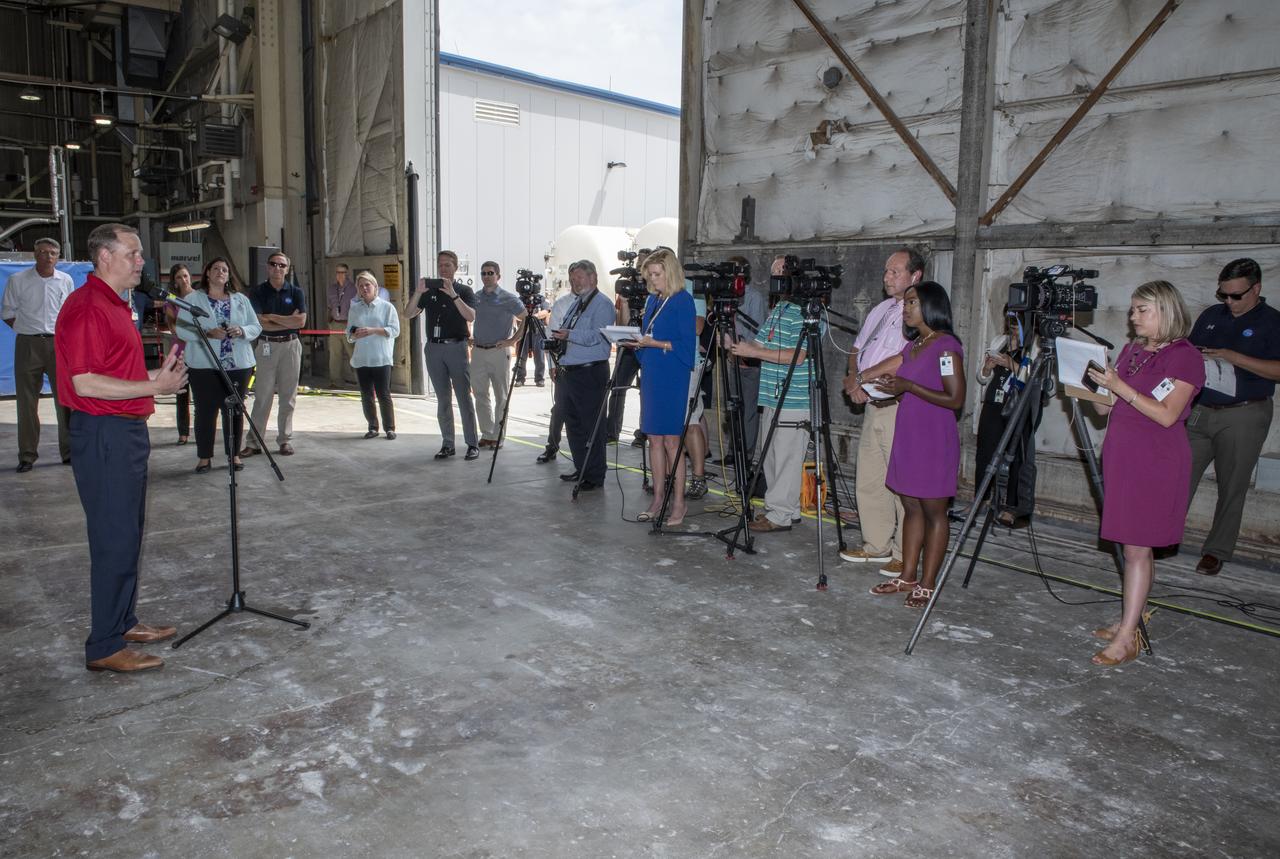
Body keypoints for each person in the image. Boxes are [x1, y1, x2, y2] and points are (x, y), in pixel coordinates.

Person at [54, 222, 188, 672]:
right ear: (104, 257)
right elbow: (85, 380)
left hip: (125, 429)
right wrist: (154, 382)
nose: (141, 261)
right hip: (104, 432)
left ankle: (123, 620)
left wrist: (157, 376)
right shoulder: (88, 307)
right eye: (132, 253)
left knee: (128, 531)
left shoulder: (117, 304)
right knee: (113, 537)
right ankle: (106, 646)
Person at [1086, 280, 1204, 665]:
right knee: (1135, 544)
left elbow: (1167, 414)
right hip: (1124, 456)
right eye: (1133, 309)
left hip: (1157, 461)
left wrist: (1120, 386)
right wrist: (1093, 386)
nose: (1133, 316)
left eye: (1142, 310)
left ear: (1166, 311)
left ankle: (1126, 637)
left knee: (1137, 547)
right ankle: (1129, 620)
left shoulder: (1185, 356)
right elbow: (1105, 410)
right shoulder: (1132, 350)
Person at [867, 282, 966, 609]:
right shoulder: (913, 347)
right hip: (909, 434)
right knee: (910, 506)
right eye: (906, 303)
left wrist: (907, 384)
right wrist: (894, 386)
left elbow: (955, 399)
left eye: (912, 303)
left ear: (931, 306)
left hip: (934, 438)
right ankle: (907, 575)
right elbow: (911, 388)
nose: (905, 308)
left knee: (935, 512)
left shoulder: (946, 346)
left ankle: (927, 582)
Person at [1186, 259, 1280, 576]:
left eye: (1236, 296)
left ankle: (1216, 551)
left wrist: (1232, 356)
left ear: (1257, 288)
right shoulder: (1211, 316)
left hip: (1244, 413)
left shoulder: (1272, 322)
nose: (1229, 302)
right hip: (1201, 410)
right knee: (1178, 476)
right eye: (1224, 295)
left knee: (1232, 486)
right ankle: (1161, 538)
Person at [840, 248, 924, 573]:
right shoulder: (882, 309)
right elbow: (857, 348)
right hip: (873, 405)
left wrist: (861, 377)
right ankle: (876, 545)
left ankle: (905, 553)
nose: (887, 277)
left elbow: (904, 358)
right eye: (886, 271)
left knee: (902, 482)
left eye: (895, 272)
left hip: (899, 407)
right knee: (870, 478)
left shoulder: (918, 313)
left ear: (915, 276)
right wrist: (854, 381)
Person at [724, 258, 813, 534]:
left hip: (794, 398)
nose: (774, 277)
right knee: (771, 456)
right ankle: (786, 510)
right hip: (771, 395)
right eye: (773, 272)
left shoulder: (805, 311)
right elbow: (761, 343)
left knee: (786, 456)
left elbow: (798, 356)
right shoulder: (779, 309)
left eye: (780, 272)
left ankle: (779, 515)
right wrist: (733, 344)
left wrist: (754, 353)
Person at [623, 248, 696, 523]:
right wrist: (636, 343)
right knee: (653, 438)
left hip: (673, 373)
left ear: (670, 272)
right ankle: (658, 497)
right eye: (649, 275)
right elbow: (647, 337)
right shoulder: (654, 302)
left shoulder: (683, 301)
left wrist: (655, 343)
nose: (652, 280)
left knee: (672, 441)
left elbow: (687, 348)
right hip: (652, 371)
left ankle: (678, 502)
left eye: (656, 274)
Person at [177, 257, 260, 473]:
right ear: (207, 273)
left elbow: (255, 326)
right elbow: (182, 329)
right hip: (204, 366)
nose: (220, 272)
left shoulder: (241, 299)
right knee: (205, 411)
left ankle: (233, 455)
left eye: (224, 269)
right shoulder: (193, 299)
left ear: (228, 275)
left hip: (237, 365)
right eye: (216, 268)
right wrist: (206, 333)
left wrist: (241, 331)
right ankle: (204, 457)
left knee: (234, 410)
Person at [3, 237, 74, 472]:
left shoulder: (65, 281)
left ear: (58, 256)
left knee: (64, 400)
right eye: (43, 252)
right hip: (28, 344)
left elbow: (69, 314)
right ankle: (27, 455)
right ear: (34, 254)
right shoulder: (18, 280)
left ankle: (68, 451)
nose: (48, 257)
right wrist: (26, 331)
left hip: (57, 344)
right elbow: (8, 312)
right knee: (26, 402)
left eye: (53, 253)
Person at [407, 250, 480, 460]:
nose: (443, 269)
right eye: (440, 265)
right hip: (434, 348)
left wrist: (453, 295)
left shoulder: (464, 290)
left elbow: (471, 316)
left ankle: (471, 443)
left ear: (456, 267)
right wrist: (418, 292)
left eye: (447, 265)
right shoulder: (429, 292)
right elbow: (408, 313)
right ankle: (448, 443)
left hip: (456, 347)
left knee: (464, 397)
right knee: (443, 399)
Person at [550, 260, 615, 489]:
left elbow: (597, 336)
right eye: (572, 279)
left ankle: (595, 476)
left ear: (593, 278)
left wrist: (569, 334)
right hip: (570, 372)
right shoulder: (576, 304)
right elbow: (566, 330)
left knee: (592, 427)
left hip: (590, 372)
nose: (574, 282)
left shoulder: (603, 305)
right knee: (573, 423)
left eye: (579, 278)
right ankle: (582, 468)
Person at [971, 308, 1037, 525]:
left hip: (1018, 407)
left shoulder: (1035, 346)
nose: (1012, 325)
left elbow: (1035, 380)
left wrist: (1009, 363)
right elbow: (982, 378)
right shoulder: (1000, 340)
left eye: (1016, 320)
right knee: (985, 453)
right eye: (1009, 319)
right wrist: (987, 368)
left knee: (1015, 456)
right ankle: (981, 498)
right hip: (993, 403)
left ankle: (1010, 506)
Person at [241, 250, 306, 457]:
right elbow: (258, 321)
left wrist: (272, 318)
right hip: (266, 346)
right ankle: (254, 442)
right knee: (263, 396)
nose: (277, 268)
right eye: (273, 264)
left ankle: (285, 440)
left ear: (287, 269)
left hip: (291, 346)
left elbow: (301, 322)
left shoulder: (296, 292)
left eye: (282, 265)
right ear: (267, 267)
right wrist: (287, 320)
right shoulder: (258, 292)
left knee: (288, 396)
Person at [470, 261, 527, 448]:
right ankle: (487, 434)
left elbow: (526, 319)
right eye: (484, 273)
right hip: (478, 352)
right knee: (480, 394)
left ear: (498, 276)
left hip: (498, 352)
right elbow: (467, 316)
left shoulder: (508, 298)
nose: (487, 276)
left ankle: (498, 436)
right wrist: (469, 336)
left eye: (490, 273)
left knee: (501, 396)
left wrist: (512, 341)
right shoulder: (476, 297)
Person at [346, 269, 401, 439]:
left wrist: (374, 330)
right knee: (366, 394)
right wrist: (355, 334)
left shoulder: (387, 307)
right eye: (361, 286)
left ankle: (390, 428)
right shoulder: (355, 309)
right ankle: (372, 426)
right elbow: (349, 334)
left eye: (367, 285)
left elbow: (395, 330)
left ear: (375, 286)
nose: (364, 288)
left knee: (383, 394)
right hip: (362, 358)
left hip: (381, 358)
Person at [163, 263, 194, 445]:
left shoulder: (200, 297)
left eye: (185, 276)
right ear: (174, 281)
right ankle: (183, 433)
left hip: (200, 352)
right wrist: (191, 334)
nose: (183, 280)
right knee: (182, 392)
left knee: (203, 394)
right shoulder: (171, 300)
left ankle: (204, 430)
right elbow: (173, 326)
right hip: (181, 352)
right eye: (179, 277)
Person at [326, 262, 357, 387]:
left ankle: (360, 380)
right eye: (337, 272)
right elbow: (329, 306)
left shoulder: (353, 289)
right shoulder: (332, 289)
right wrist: (329, 321)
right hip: (335, 324)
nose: (339, 275)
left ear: (347, 273)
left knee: (353, 353)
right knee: (334, 354)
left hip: (348, 324)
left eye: (342, 272)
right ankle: (336, 381)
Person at [515, 291, 550, 387]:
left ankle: (539, 379)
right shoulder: (520, 299)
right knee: (521, 357)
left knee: (539, 357)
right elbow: (515, 314)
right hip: (523, 331)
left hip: (538, 332)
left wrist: (535, 316)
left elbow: (546, 311)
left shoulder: (541, 299)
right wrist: (525, 317)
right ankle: (520, 378)